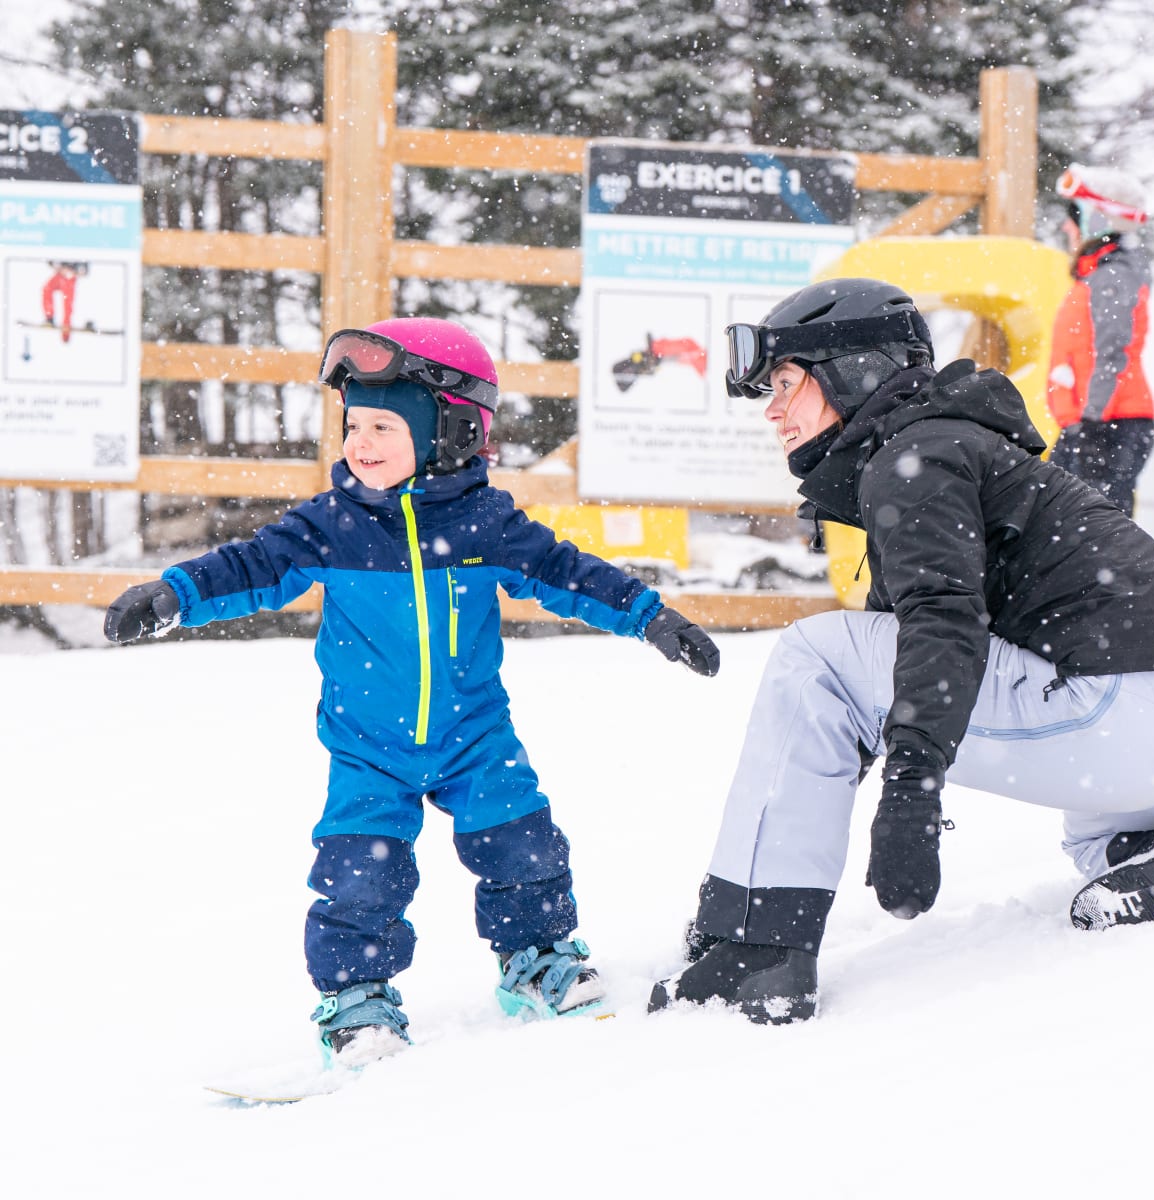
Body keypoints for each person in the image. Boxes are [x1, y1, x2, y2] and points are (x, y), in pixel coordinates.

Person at [104, 316, 719, 1063]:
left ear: (452, 432)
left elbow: (568, 573)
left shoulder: (487, 524)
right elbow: (247, 567)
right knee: (360, 876)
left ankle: (539, 961)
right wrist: (174, 594)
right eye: (354, 424)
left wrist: (650, 618)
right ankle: (357, 1002)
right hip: (369, 749)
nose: (360, 443)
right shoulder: (330, 527)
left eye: (384, 426)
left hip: (475, 740)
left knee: (525, 849)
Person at [648, 277, 1154, 1026]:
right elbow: (915, 632)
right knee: (1101, 837)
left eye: (786, 382)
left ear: (855, 370)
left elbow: (943, 622)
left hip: (1131, 708)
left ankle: (755, 947)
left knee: (817, 655)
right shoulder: (946, 444)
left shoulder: (917, 457)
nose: (772, 409)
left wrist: (911, 788)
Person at [1047, 163, 1154, 517]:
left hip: (1109, 424)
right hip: (1091, 423)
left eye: (1074, 215)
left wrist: (1093, 426)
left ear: (1098, 220)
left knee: (1095, 536)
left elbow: (1113, 353)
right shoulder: (1096, 278)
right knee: (1060, 525)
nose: (1066, 226)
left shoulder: (1112, 278)